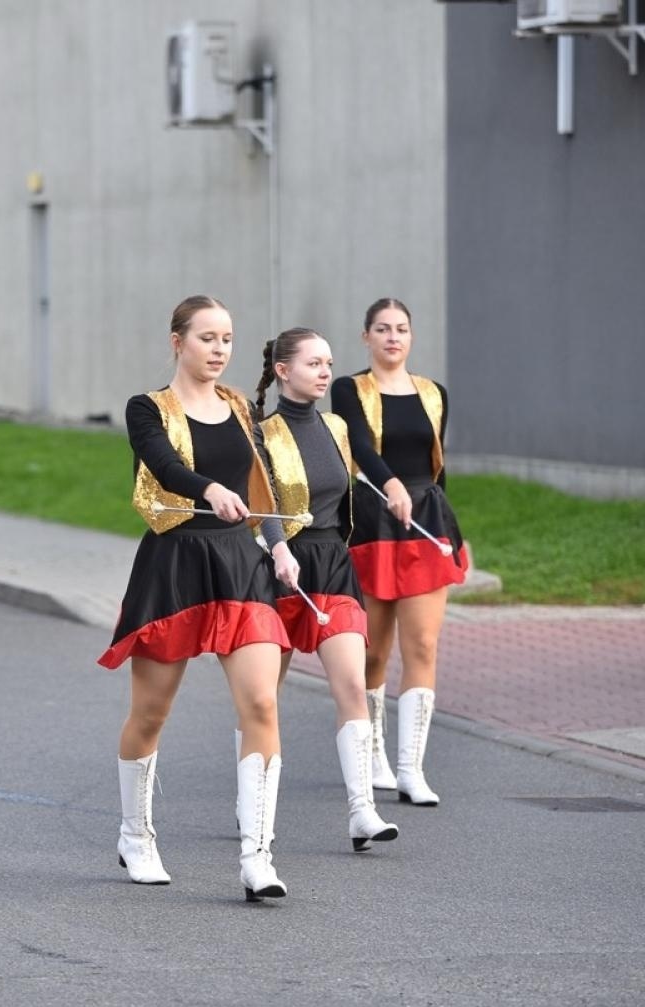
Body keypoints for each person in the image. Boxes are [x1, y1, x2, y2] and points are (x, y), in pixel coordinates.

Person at [97, 295, 290, 902]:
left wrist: (278, 543)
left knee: (261, 702)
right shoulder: (146, 408)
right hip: (176, 561)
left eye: (227, 339)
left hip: (239, 562)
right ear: (177, 341)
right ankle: (136, 834)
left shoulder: (239, 407)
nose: (219, 350)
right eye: (207, 338)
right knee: (151, 713)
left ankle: (258, 855)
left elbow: (261, 481)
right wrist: (207, 487)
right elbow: (163, 465)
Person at [253, 328, 399, 852]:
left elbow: (352, 491)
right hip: (280, 566)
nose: (324, 372)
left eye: (329, 363)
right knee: (263, 700)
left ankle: (362, 810)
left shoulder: (336, 427)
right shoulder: (260, 432)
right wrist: (276, 547)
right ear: (284, 370)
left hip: (333, 563)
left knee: (352, 687)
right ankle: (255, 807)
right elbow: (260, 497)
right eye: (313, 363)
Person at [329, 298, 468, 808]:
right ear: (366, 336)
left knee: (424, 646)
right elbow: (360, 448)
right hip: (372, 517)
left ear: (411, 337)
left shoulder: (434, 393)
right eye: (383, 329)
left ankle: (412, 768)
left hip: (426, 520)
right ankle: (375, 753)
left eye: (402, 329)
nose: (393, 337)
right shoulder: (349, 389)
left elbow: (438, 466)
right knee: (372, 651)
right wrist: (389, 485)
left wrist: (454, 529)